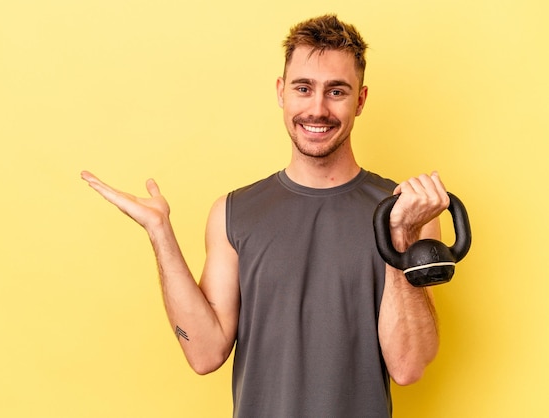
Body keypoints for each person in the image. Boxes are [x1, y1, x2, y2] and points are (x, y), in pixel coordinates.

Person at [81, 14, 448, 417]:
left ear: (360, 100)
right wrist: (160, 234)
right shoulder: (233, 213)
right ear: (281, 93)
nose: (317, 108)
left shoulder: (407, 212)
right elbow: (204, 353)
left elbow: (409, 366)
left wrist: (399, 239)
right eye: (303, 88)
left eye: (337, 91)